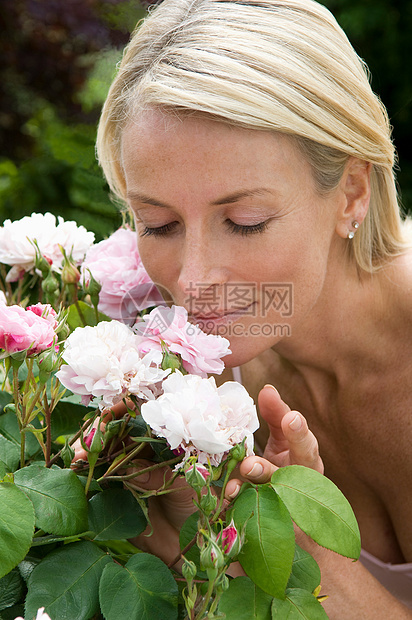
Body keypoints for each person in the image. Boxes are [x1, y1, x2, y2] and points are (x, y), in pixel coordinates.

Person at [92, 0, 412, 616]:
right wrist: (191, 549)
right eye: (158, 224)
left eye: (245, 222)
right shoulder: (191, 398)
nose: (193, 280)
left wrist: (298, 559)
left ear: (352, 191)